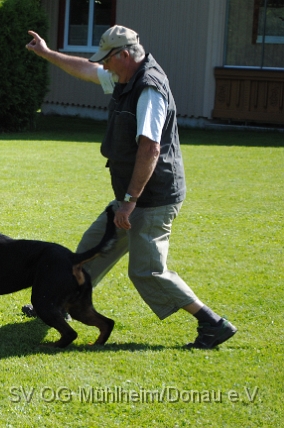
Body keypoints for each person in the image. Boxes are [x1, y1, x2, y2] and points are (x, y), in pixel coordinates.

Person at [23, 25, 236, 349]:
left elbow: (149, 148)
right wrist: (47, 53)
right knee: (89, 252)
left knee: (147, 271)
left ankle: (212, 323)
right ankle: (60, 307)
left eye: (107, 59)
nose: (103, 66)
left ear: (124, 55)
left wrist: (129, 202)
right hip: (132, 197)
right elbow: (89, 70)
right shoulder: (125, 77)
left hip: (152, 198)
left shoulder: (148, 89)